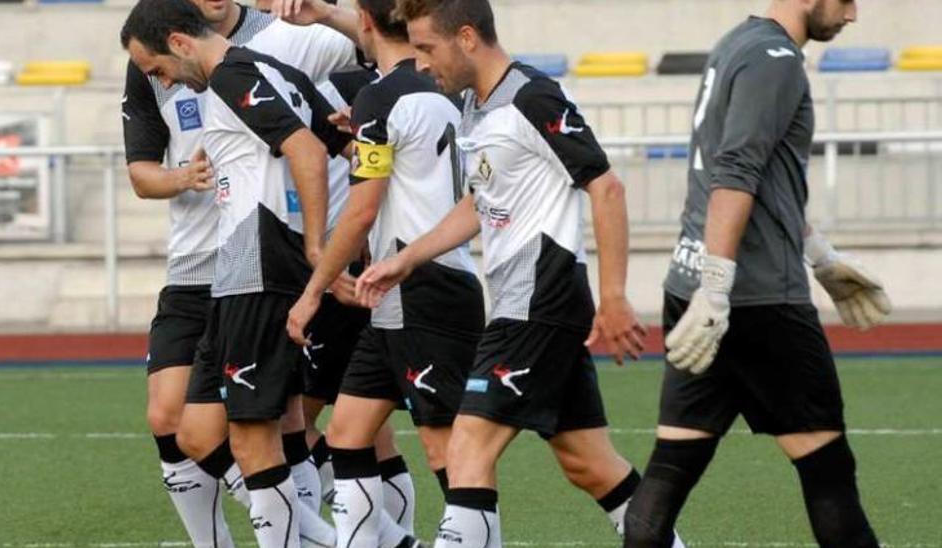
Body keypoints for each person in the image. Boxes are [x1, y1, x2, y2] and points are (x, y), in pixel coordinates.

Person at [360, 0, 683, 545]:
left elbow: (606, 187)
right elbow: (477, 204)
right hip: (519, 300)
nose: (420, 64)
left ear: (466, 38)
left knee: (467, 447)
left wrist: (615, 297)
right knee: (589, 464)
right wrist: (405, 258)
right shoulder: (473, 106)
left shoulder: (535, 97)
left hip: (541, 298)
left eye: (427, 49)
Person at [624, 1, 890, 547]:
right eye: (845, 0)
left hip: (695, 286)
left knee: (670, 471)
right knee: (828, 474)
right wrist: (720, 288)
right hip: (755, 300)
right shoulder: (777, 58)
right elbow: (737, 171)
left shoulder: (734, 45)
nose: (853, 15)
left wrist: (818, 254)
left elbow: (765, 179)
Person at [121, 1, 374, 545]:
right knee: (200, 431)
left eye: (157, 69)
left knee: (258, 440)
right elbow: (348, 149)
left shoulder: (233, 75)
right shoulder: (274, 72)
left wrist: (316, 250)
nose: (159, 81)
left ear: (181, 44)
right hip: (234, 277)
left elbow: (306, 150)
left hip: (256, 268)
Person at [284, 0, 484, 545]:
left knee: (447, 450)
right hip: (401, 292)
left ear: (367, 23)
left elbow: (361, 211)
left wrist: (312, 291)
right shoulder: (441, 86)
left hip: (426, 287)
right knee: (347, 433)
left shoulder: (379, 96)